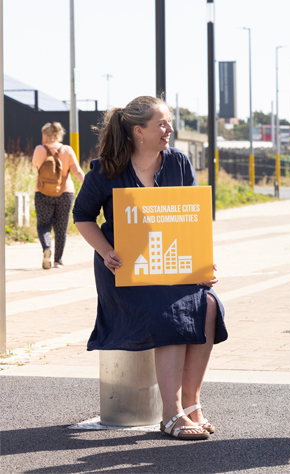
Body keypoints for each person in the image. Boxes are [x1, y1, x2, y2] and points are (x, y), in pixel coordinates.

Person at [73, 96, 227, 441]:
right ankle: (170, 413)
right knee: (168, 309)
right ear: (138, 131)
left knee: (210, 304)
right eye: (162, 123)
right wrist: (106, 250)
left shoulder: (177, 162)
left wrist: (202, 262)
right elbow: (82, 215)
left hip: (171, 264)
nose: (169, 130)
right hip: (126, 271)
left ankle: (192, 404)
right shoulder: (104, 169)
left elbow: (191, 217)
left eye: (169, 122)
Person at [31, 122, 85, 269]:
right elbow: (77, 171)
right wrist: (88, 188)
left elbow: (36, 166)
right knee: (61, 228)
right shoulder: (67, 149)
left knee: (43, 225)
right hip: (65, 192)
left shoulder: (39, 149)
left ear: (46, 135)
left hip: (42, 192)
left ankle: (46, 248)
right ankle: (58, 261)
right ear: (59, 135)